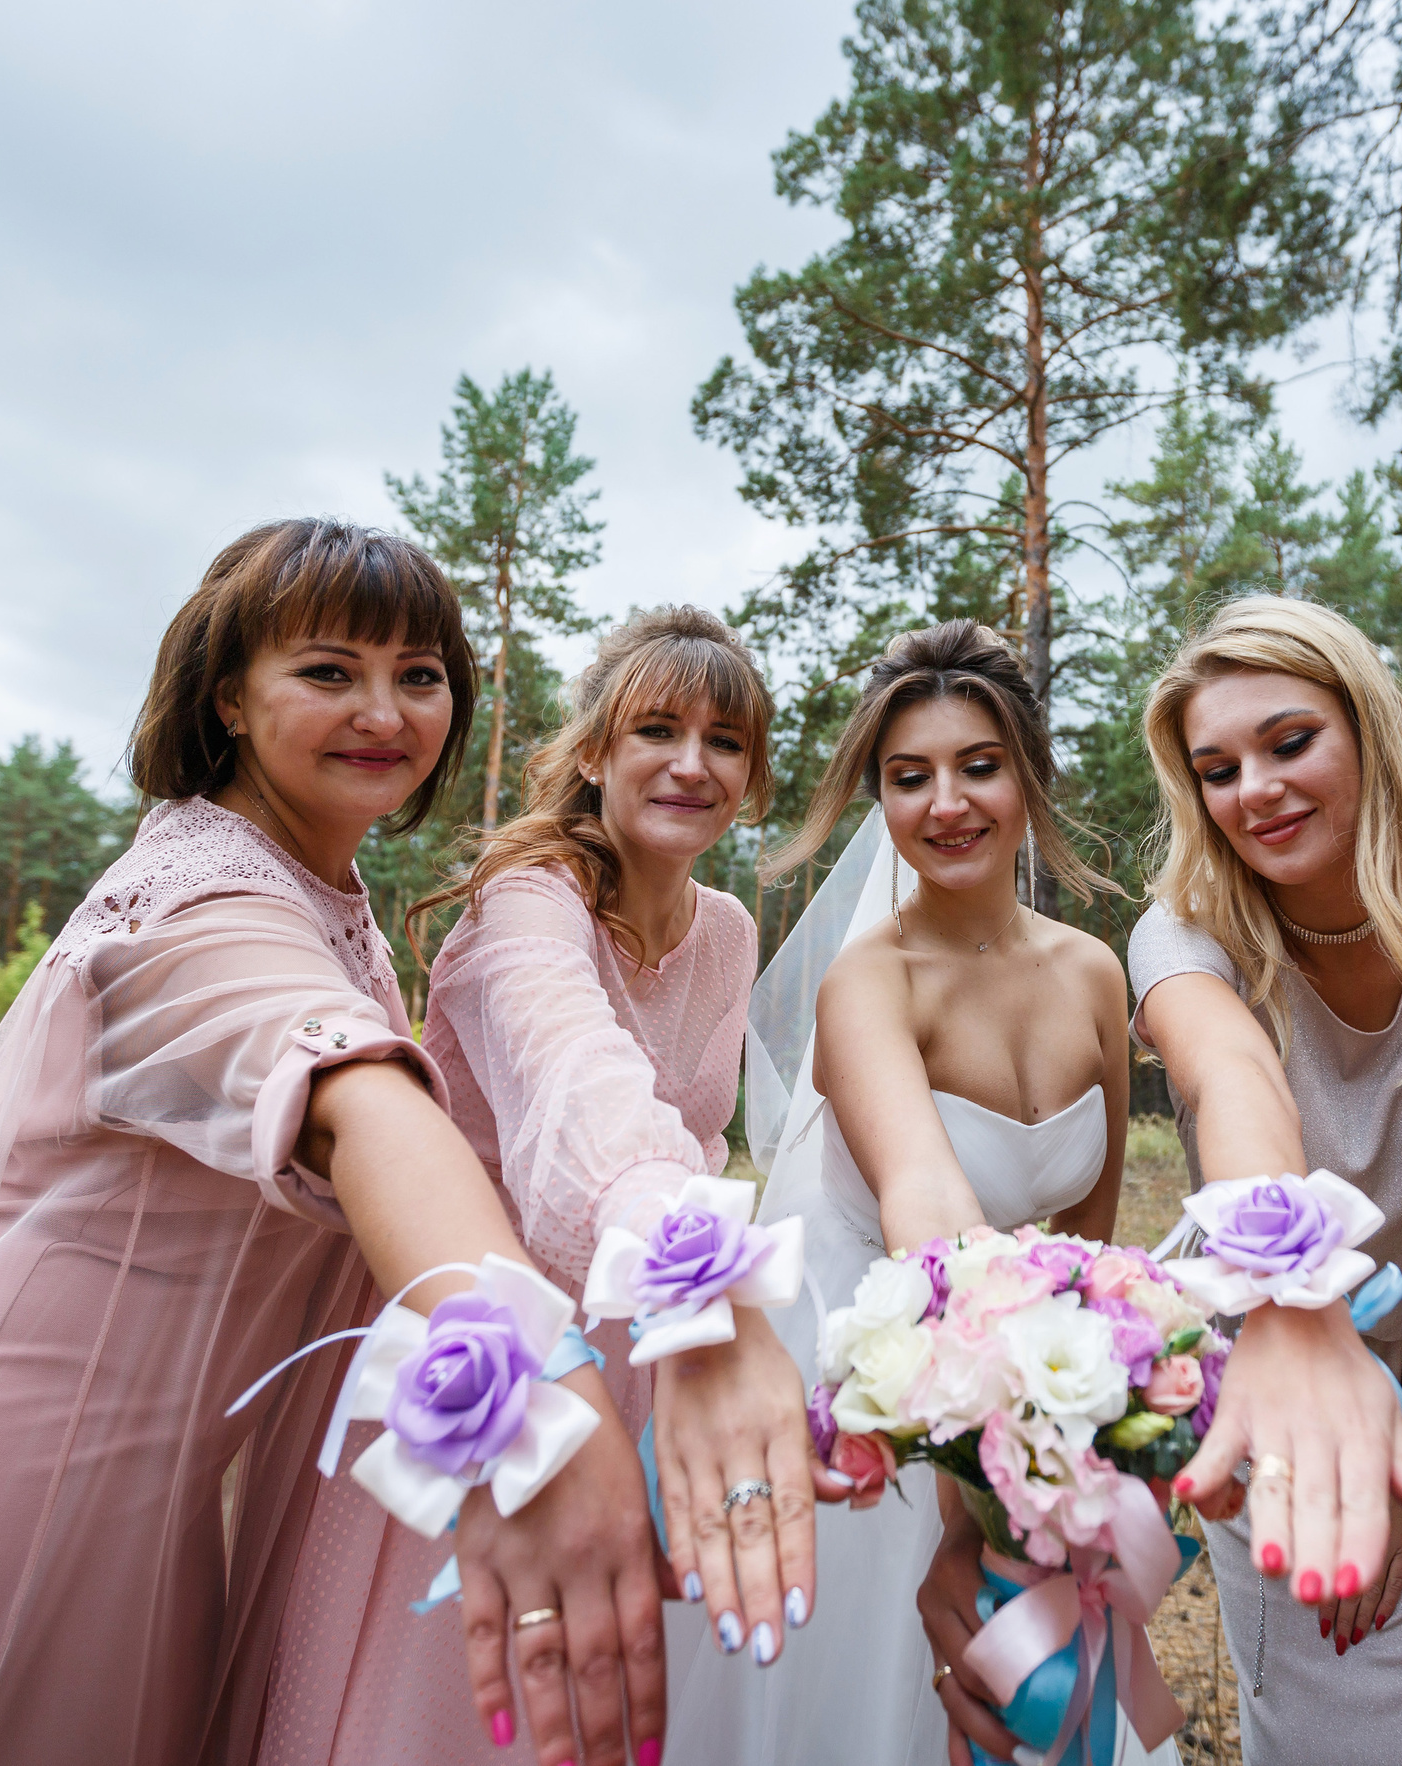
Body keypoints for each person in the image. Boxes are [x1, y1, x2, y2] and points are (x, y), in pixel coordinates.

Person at [0, 521, 670, 1766]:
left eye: (420, 673)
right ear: (228, 697)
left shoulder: (324, 896)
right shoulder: (204, 902)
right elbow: (362, 1100)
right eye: (327, 670)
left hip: (145, 1506)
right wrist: (539, 1379)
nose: (384, 708)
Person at [257, 607, 839, 1766]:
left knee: (615, 1690)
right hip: (500, 1345)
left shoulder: (724, 930)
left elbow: (706, 1131)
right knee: (473, 1708)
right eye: (657, 729)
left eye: (725, 740)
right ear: (592, 753)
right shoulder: (531, 897)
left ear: (753, 775)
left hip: (636, 1345)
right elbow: (583, 1087)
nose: (691, 762)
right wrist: (697, 1283)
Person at [665, 619, 1153, 1766]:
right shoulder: (867, 982)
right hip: (888, 1388)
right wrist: (980, 1478)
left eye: (978, 764)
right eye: (908, 776)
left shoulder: (1092, 970)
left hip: (1032, 1384)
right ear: (878, 798)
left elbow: (1089, 1241)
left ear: (1027, 773)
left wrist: (1083, 1439)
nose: (946, 803)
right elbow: (924, 1206)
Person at [1121, 594, 1402, 1764]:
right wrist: (1294, 1301)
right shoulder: (1185, 934)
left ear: (1370, 733)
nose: (1254, 789)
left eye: (1289, 741)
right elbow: (1233, 1077)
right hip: (1278, 1391)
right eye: (1217, 767)